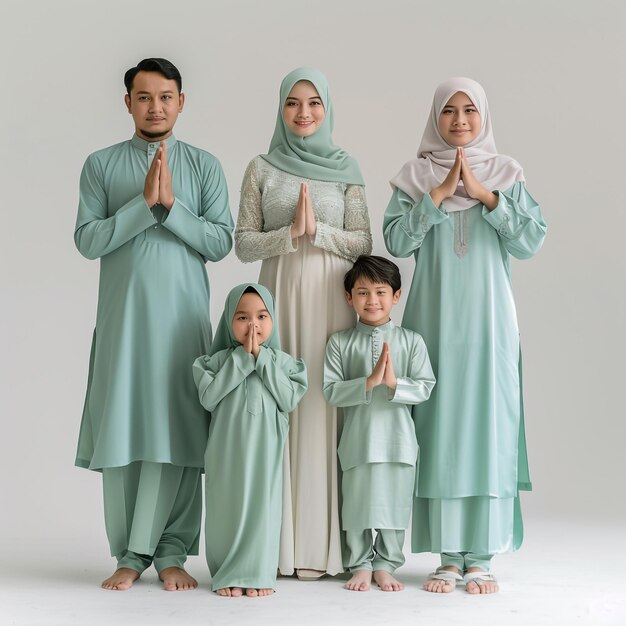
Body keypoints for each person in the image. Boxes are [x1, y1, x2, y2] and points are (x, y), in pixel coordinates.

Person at [74, 58, 233, 591]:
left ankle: (170, 552)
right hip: (123, 323)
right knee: (121, 428)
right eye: (144, 97)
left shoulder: (205, 166)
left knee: (179, 431)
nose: (156, 106)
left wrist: (173, 208)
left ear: (181, 102)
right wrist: (143, 206)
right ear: (128, 103)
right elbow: (89, 240)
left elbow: (219, 242)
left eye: (166, 97)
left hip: (182, 321)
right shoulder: (101, 165)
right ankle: (127, 553)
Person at [383, 77, 547, 594]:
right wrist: (435, 196)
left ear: (484, 117)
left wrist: (483, 195)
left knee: (487, 426)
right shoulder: (414, 177)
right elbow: (394, 239)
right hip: (431, 322)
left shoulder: (506, 174)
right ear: (434, 118)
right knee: (441, 428)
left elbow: (529, 241)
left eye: (469, 111)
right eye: (448, 111)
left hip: (490, 324)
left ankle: (481, 555)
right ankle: (448, 556)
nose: (458, 121)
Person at [235, 68, 372, 579]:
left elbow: (363, 242)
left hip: (331, 297)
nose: (304, 113)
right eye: (293, 103)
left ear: (328, 108)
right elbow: (244, 241)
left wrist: (321, 231)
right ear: (280, 109)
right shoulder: (261, 167)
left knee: (321, 401)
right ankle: (277, 546)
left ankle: (320, 547)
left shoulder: (346, 168)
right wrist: (289, 234)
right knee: (279, 403)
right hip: (279, 293)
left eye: (314, 103)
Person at [323, 256, 435, 593]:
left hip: (399, 441)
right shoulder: (339, 342)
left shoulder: (412, 341)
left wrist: (393, 385)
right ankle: (359, 564)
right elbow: (330, 391)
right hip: (358, 441)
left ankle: (386, 564)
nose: (372, 301)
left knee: (394, 504)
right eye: (363, 292)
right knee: (356, 505)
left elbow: (426, 386)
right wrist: (368, 383)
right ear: (349, 297)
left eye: (381, 292)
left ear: (396, 296)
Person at [193, 283, 308, 597]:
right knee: (225, 507)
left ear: (272, 321)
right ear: (229, 322)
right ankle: (228, 572)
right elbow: (210, 397)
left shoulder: (285, 364)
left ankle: (257, 572)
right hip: (225, 451)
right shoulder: (211, 364)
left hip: (265, 451)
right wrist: (243, 359)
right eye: (242, 317)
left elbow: (288, 399)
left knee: (262, 506)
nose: (253, 325)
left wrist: (261, 359)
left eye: (261, 316)